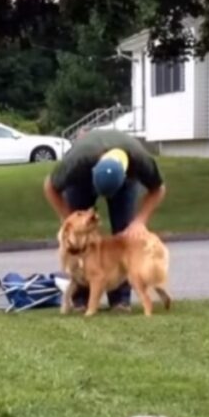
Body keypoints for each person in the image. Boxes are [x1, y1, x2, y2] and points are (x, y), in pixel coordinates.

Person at [42, 129, 166, 311]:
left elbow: (158, 189)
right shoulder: (78, 161)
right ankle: (81, 300)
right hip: (81, 182)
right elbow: (49, 186)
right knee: (78, 241)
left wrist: (140, 221)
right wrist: (68, 218)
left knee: (125, 233)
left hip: (125, 184)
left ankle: (120, 301)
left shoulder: (138, 159)